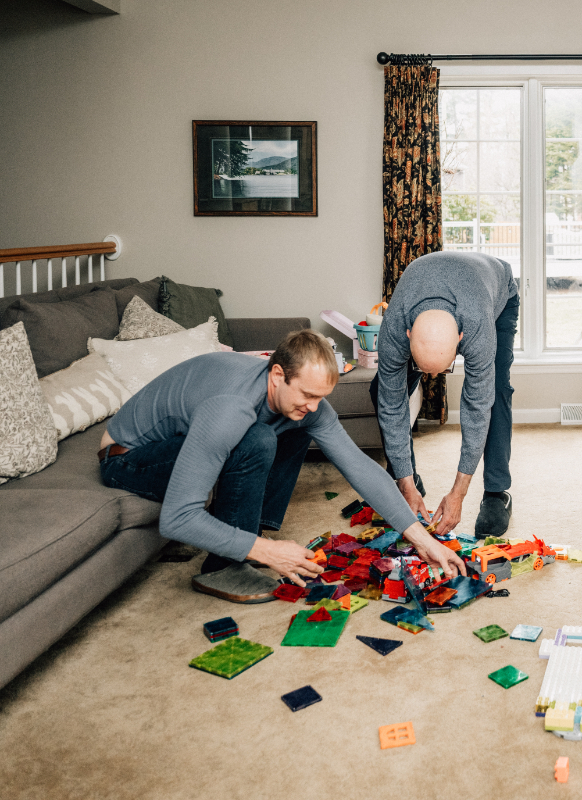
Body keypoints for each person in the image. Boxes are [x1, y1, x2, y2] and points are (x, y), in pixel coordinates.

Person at [98, 330, 465, 604]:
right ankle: (223, 565)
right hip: (127, 457)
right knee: (256, 438)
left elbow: (360, 467)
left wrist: (422, 538)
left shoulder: (303, 402)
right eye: (307, 394)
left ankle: (249, 530)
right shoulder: (231, 409)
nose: (314, 405)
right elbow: (177, 518)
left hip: (187, 439)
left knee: (292, 425)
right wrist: (267, 552)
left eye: (321, 397)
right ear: (277, 375)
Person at [370, 250, 519, 539]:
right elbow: (391, 404)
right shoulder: (393, 326)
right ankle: (405, 479)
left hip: (496, 293)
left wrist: (458, 493)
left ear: (461, 340)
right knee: (381, 389)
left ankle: (496, 494)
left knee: (495, 392)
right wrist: (406, 481)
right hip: (432, 289)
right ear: (408, 334)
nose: (434, 378)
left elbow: (477, 407)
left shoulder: (477, 326)